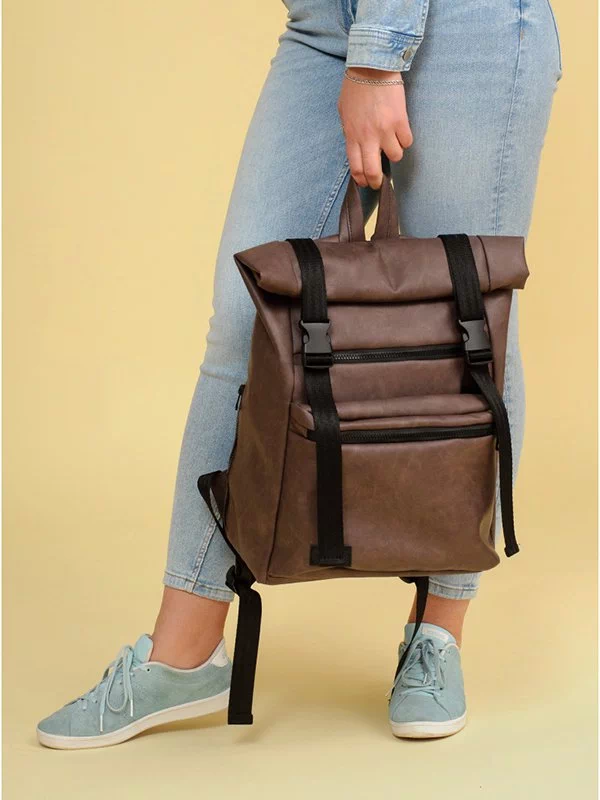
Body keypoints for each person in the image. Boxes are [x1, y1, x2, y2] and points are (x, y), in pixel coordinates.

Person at [36, 0, 562, 749]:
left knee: (468, 325)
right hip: (323, 24)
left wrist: (378, 56)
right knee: (249, 314)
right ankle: (183, 653)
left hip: (468, 25)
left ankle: (437, 635)